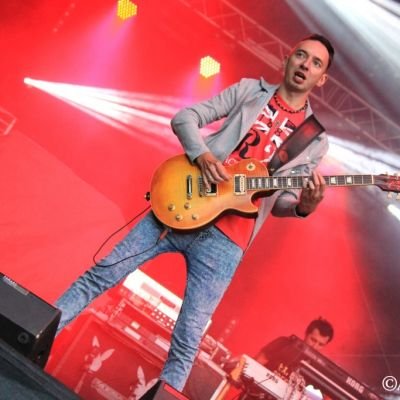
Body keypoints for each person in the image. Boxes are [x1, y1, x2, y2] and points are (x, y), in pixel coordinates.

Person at [54, 33, 335, 396]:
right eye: (301, 56)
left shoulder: (315, 140)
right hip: (183, 202)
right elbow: (185, 117)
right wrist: (201, 156)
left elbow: (282, 201)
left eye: (316, 63)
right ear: (287, 59)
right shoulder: (249, 90)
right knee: (101, 275)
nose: (305, 65)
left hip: (228, 242)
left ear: (322, 79)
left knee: (187, 339)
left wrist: (303, 206)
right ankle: (32, 336)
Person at [236, 318, 334, 400]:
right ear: (306, 334)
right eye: (313, 340)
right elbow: (256, 363)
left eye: (321, 344)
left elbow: (316, 397)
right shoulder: (284, 344)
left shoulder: (318, 370)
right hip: (255, 396)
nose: (315, 346)